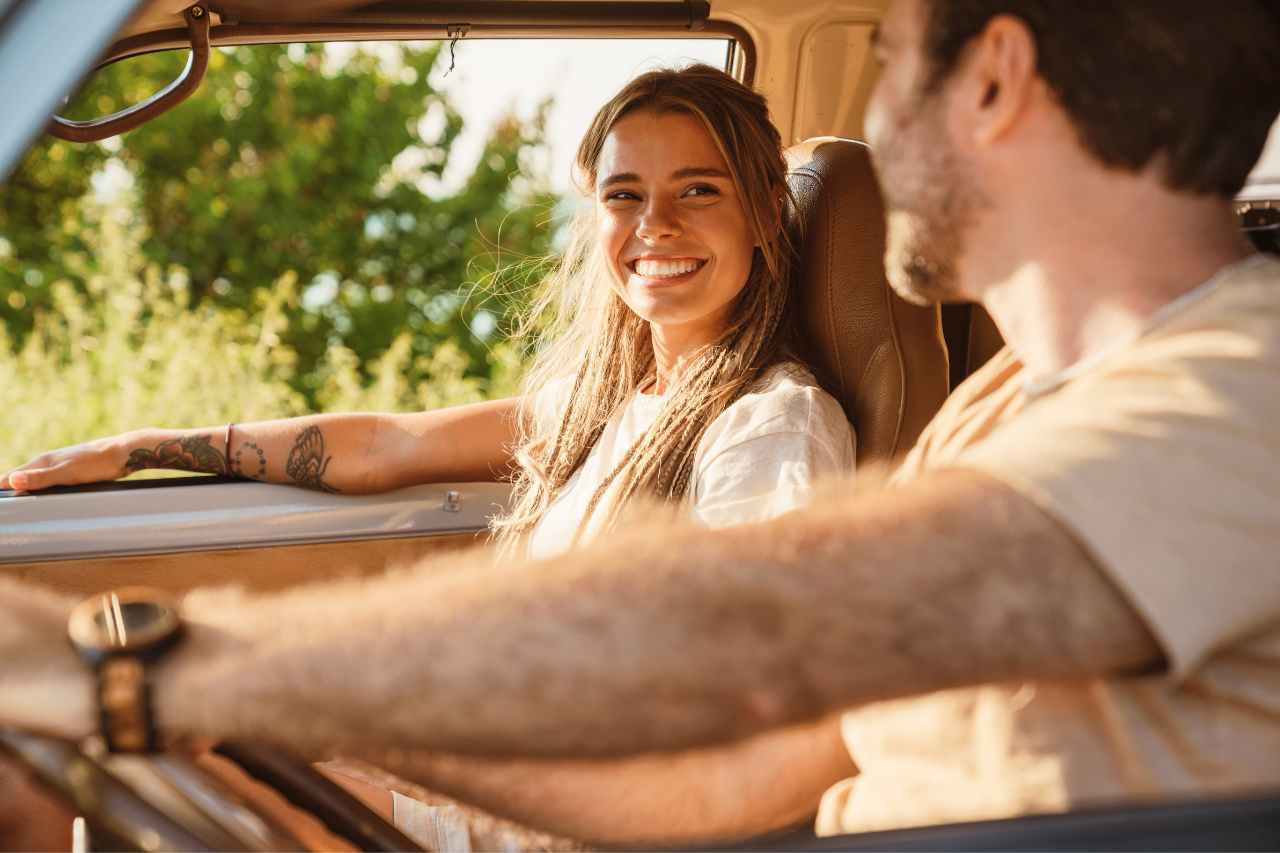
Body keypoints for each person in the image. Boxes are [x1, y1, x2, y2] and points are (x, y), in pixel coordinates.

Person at [3, 0, 1280, 846]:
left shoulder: (1239, 383)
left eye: (889, 61)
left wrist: (157, 668)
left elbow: (747, 639)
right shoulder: (1003, 410)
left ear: (992, 76)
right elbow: (726, 770)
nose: (871, 132)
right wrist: (270, 722)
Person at [0, 65, 855, 561]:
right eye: (624, 194)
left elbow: (741, 684)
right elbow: (389, 445)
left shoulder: (771, 427)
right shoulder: (609, 407)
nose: (652, 226)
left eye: (698, 190)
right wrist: (138, 446)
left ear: (763, 211)